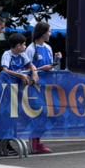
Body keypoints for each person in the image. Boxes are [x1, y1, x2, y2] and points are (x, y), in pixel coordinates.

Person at [26, 22, 57, 156]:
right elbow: (27, 67)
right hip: (35, 88)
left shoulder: (48, 48)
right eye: (49, 31)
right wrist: (40, 69)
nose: (50, 34)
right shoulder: (31, 49)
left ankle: (37, 139)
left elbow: (51, 66)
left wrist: (55, 63)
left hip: (48, 87)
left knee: (52, 113)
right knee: (40, 114)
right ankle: (35, 141)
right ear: (43, 32)